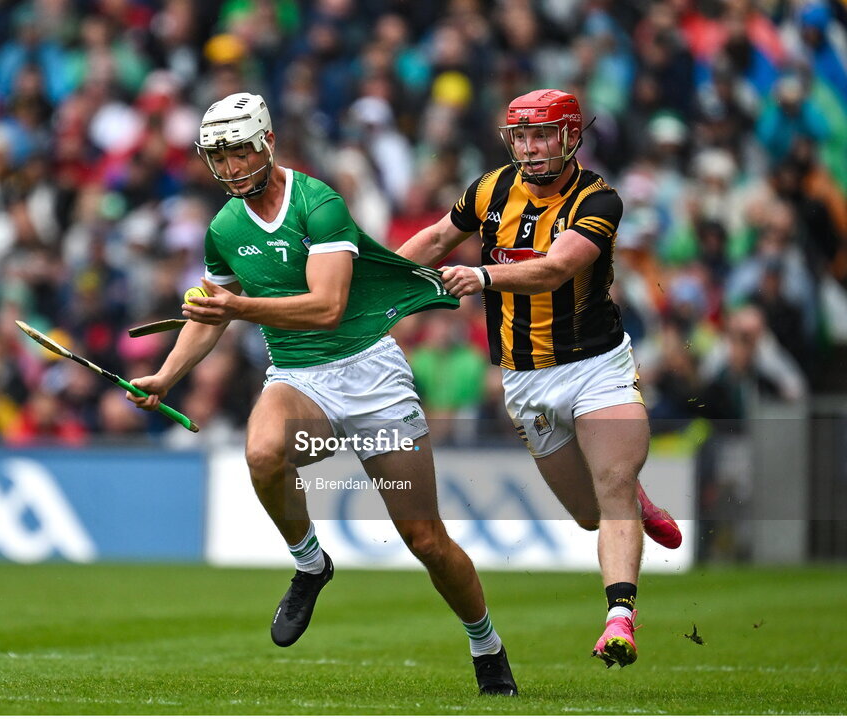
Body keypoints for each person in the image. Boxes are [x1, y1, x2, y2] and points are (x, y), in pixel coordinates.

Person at [126, 92, 518, 695]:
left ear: (267, 142)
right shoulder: (224, 229)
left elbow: (328, 307)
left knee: (427, 541)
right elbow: (209, 315)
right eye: (217, 157)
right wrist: (165, 377)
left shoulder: (319, 203)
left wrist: (238, 307)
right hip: (300, 380)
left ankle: (485, 644)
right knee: (261, 453)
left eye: (237, 153)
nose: (228, 168)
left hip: (373, 379)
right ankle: (310, 563)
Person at [397, 89, 683, 668]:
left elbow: (557, 268)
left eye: (542, 136)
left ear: (570, 137)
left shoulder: (598, 199)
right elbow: (433, 240)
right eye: (521, 137)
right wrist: (375, 279)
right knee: (586, 513)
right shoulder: (489, 189)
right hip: (526, 379)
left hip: (596, 365)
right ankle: (632, 493)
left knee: (613, 488)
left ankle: (619, 619)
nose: (530, 148)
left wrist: (481, 275)